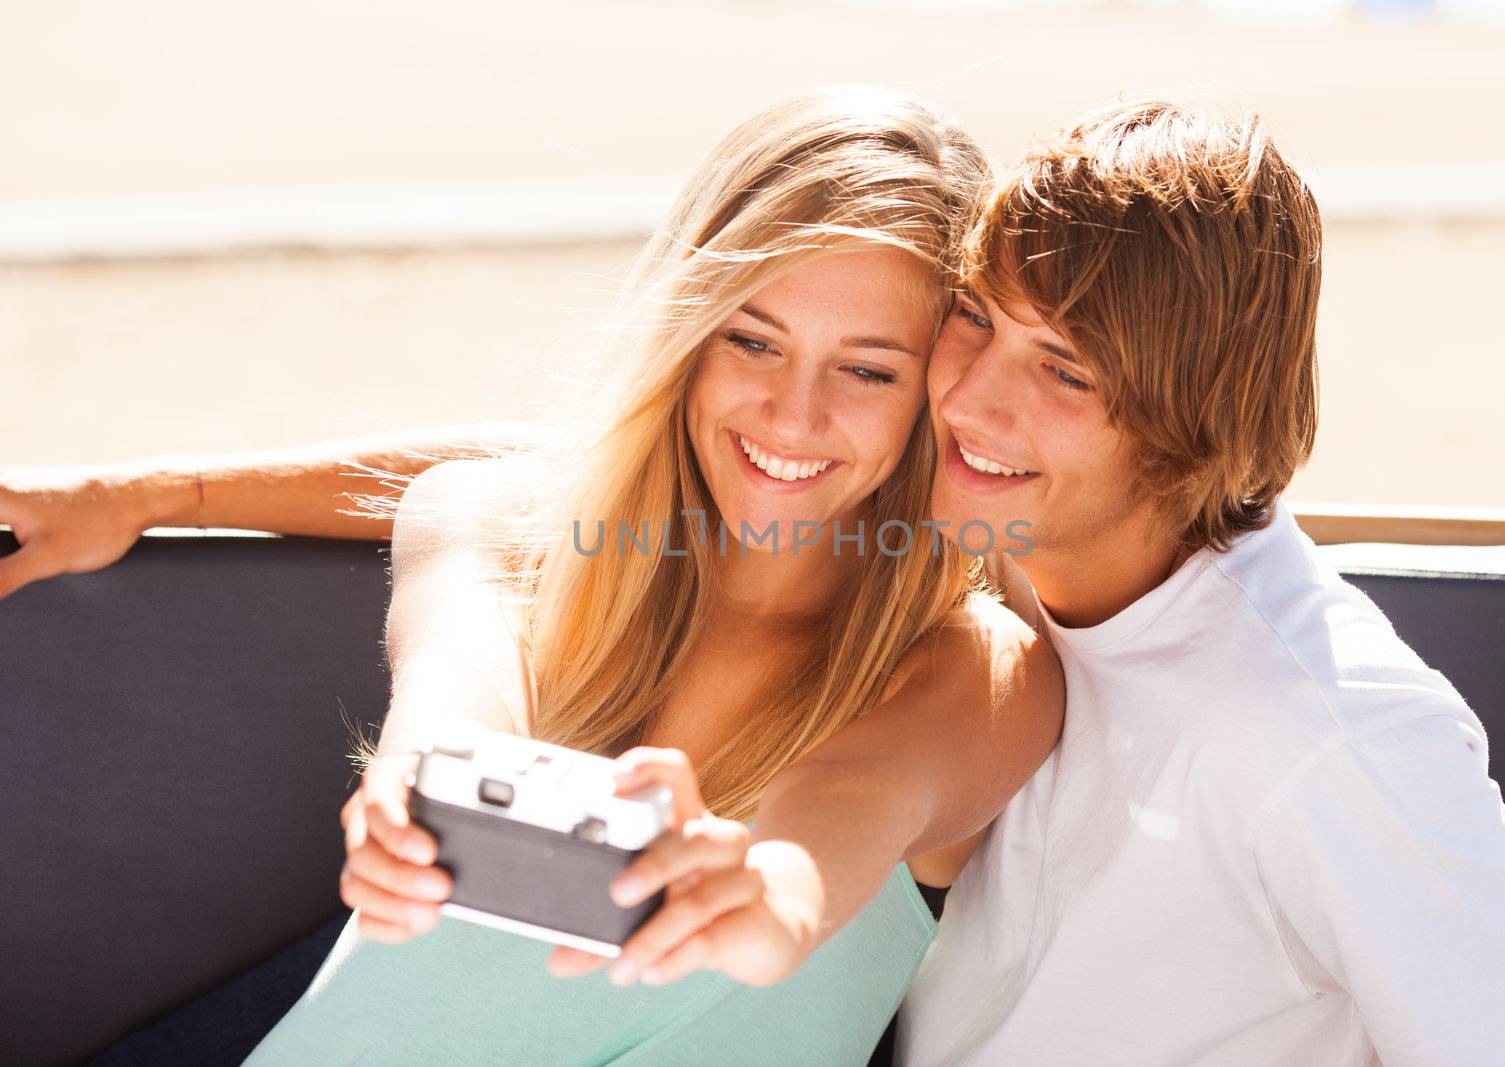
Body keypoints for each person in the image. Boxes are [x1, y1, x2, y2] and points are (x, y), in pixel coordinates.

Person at [18, 85, 1064, 1066]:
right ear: (683, 339)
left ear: (940, 390)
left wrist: (766, 895)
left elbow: (851, 802)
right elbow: (458, 687)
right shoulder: (499, 527)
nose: (793, 416)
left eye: (868, 368)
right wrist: (414, 789)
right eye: (750, 338)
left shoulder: (974, 668)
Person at [889, 99, 1505, 1065]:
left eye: (1066, 370)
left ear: (1197, 413)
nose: (967, 396)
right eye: (974, 316)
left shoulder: (1331, 735)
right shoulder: (1013, 558)